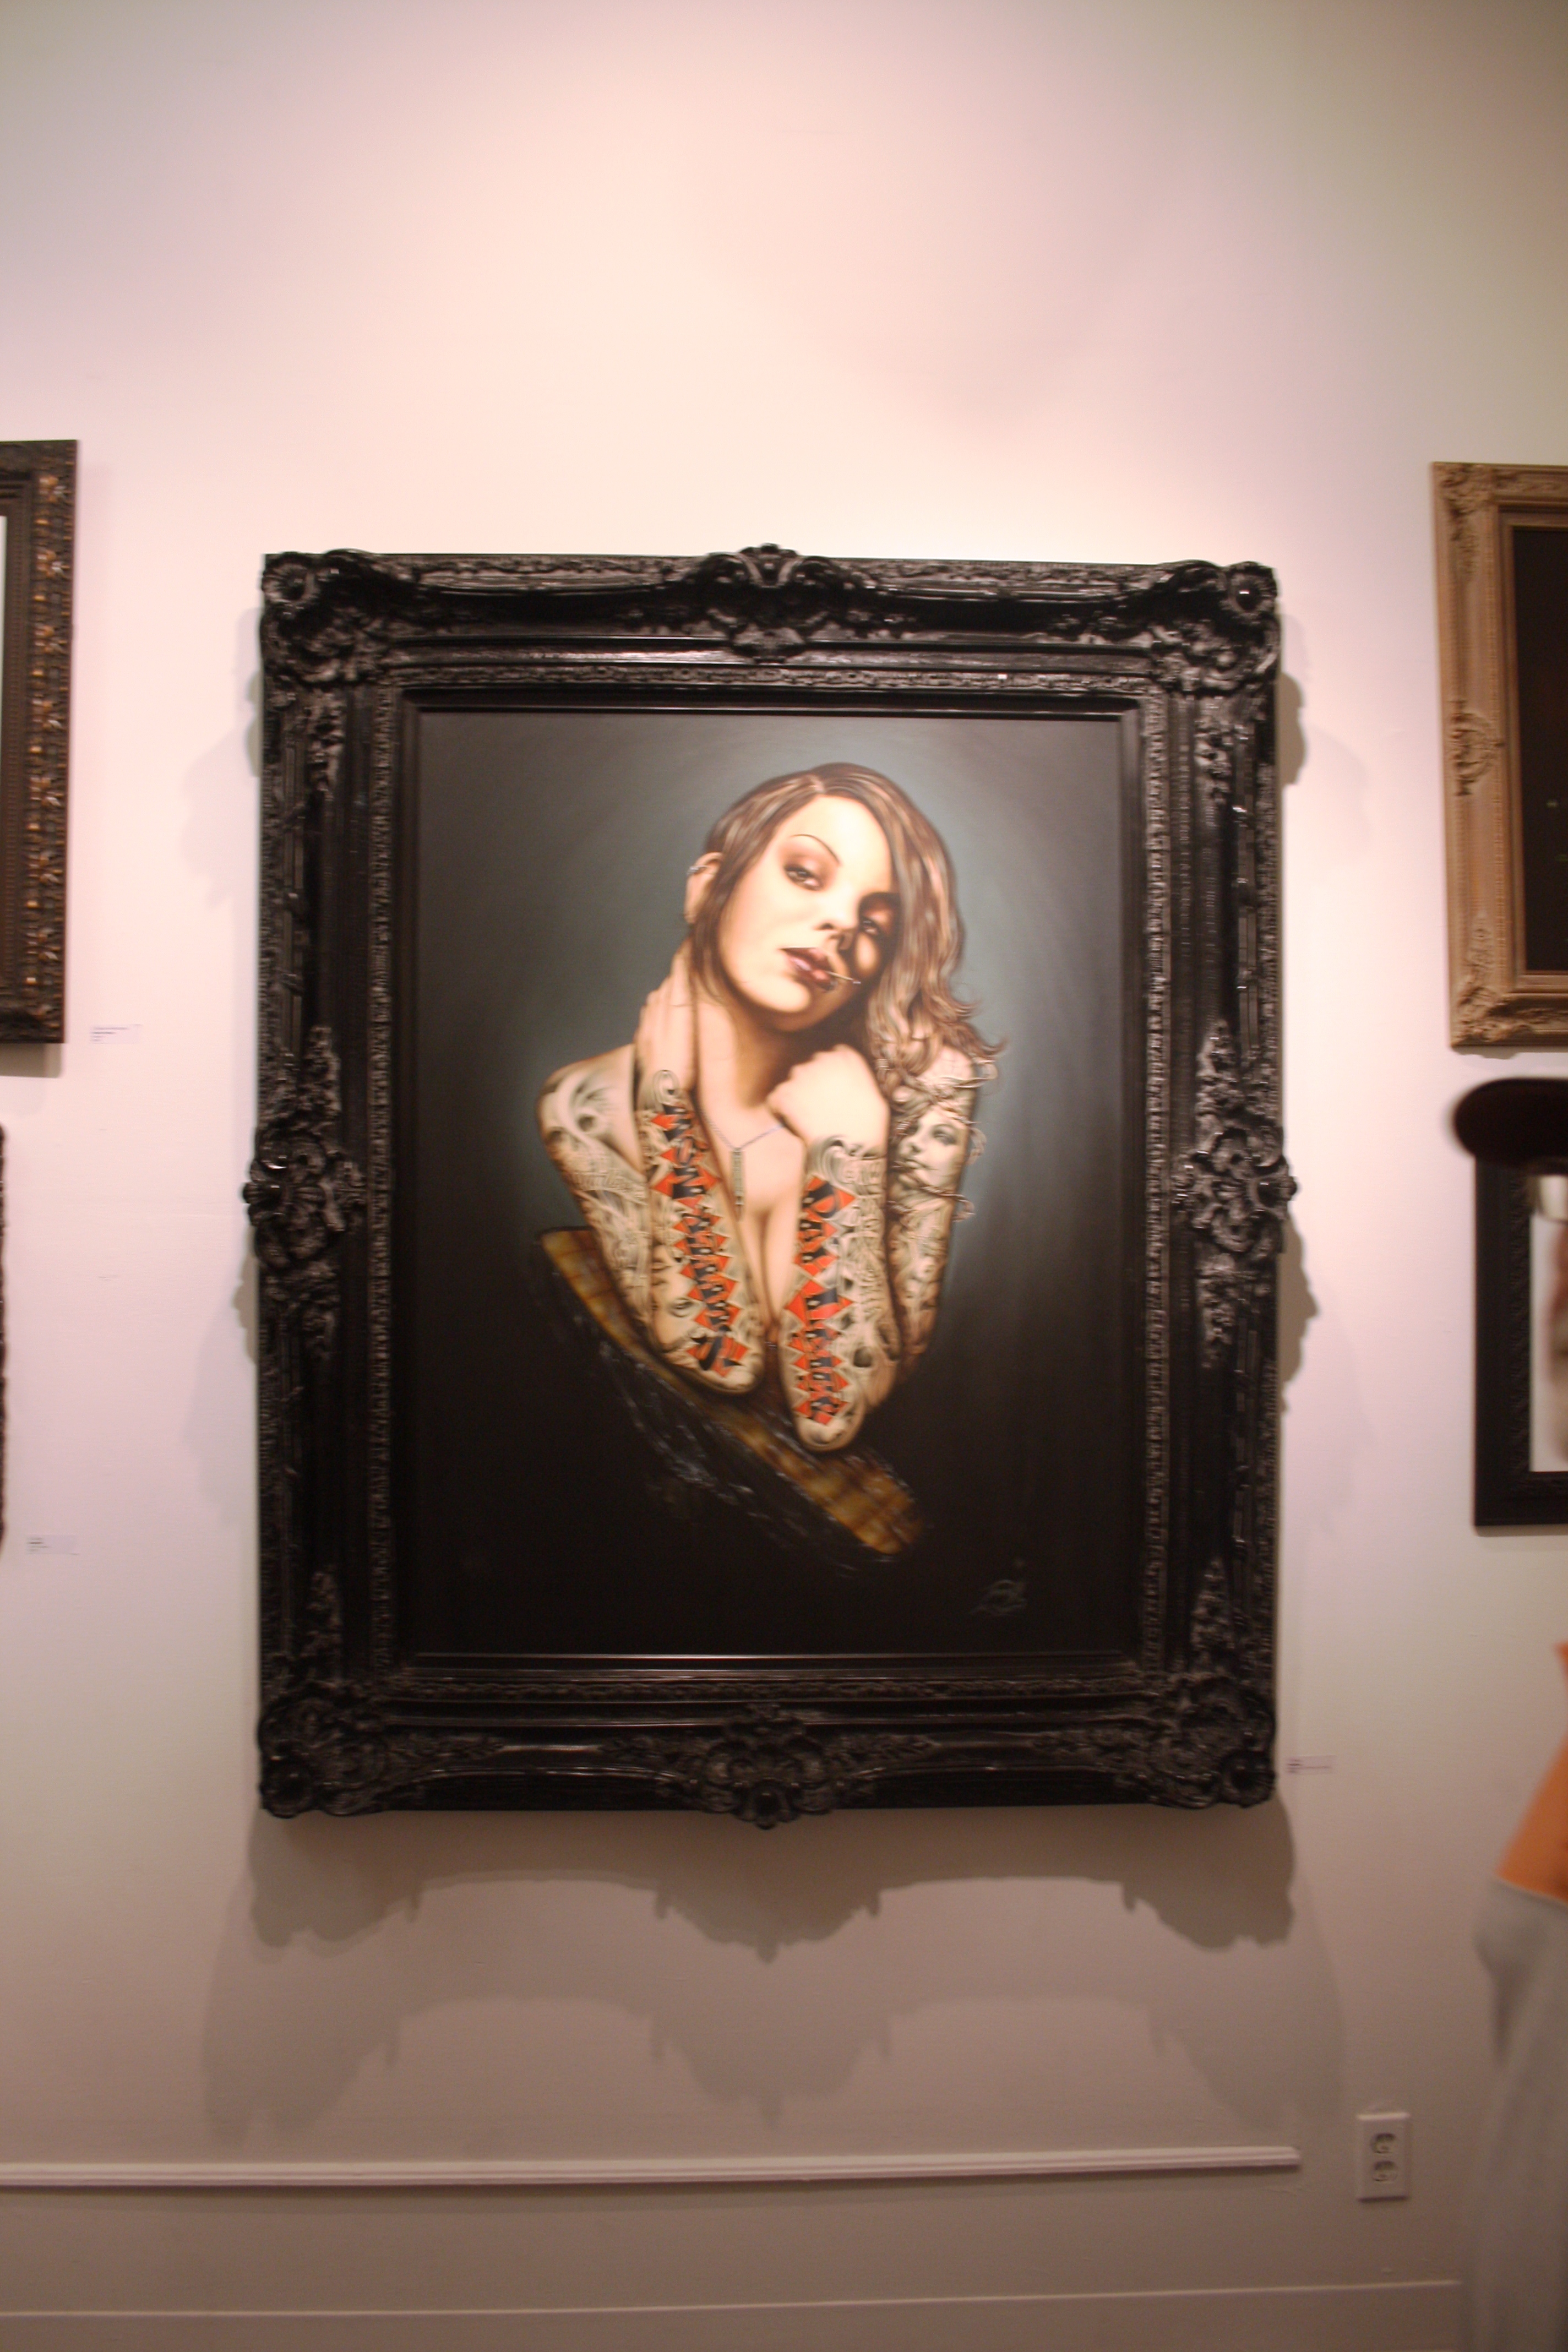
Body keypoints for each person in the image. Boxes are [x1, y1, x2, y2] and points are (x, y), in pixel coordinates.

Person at [537, 762, 994, 1456]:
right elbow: (721, 1356)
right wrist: (666, 1105)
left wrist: (849, 1149)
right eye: (805, 874)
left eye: (875, 924)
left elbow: (828, 1411)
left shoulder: (916, 1100)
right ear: (708, 885)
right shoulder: (587, 1106)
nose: (841, 924)